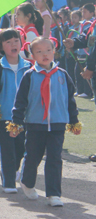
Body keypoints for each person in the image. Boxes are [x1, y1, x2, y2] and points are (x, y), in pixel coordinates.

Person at [11, 37, 80, 206]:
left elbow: (70, 100)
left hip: (57, 124)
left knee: (55, 158)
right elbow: (20, 102)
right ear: (32, 55)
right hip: (35, 124)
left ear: (54, 51)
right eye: (39, 52)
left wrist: (74, 121)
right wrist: (16, 122)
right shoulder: (29, 76)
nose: (45, 54)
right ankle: (27, 182)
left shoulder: (62, 75)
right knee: (33, 156)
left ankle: (54, 194)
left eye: (48, 50)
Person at [0, 29, 32, 193]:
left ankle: (13, 170)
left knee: (21, 148)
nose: (13, 44)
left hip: (25, 116)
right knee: (7, 150)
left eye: (16, 40)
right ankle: (8, 182)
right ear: (1, 47)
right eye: (8, 42)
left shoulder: (29, 67)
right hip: (5, 116)